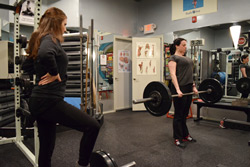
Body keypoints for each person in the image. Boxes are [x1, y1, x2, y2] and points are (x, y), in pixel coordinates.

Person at [23, 7, 100, 167]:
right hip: (50, 101)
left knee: (46, 148)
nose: (65, 29)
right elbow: (45, 54)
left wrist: (41, 74)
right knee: (92, 126)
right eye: (64, 24)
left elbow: (27, 66)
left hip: (39, 101)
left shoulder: (40, 38)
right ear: (56, 24)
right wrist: (54, 73)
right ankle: (83, 163)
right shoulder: (50, 39)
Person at [168, 38, 198, 148]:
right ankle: (177, 137)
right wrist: (177, 89)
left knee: (185, 114)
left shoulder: (187, 58)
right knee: (179, 115)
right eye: (184, 45)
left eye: (186, 45)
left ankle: (185, 135)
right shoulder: (173, 58)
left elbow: (189, 74)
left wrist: (193, 86)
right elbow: (173, 75)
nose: (186, 47)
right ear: (177, 46)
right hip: (180, 88)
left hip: (189, 88)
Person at [239, 53, 250, 122]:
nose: (248, 59)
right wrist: (247, 80)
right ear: (244, 59)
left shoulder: (247, 65)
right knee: (245, 94)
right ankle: (241, 107)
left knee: (245, 94)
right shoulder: (242, 65)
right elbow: (244, 73)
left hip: (248, 81)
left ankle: (243, 106)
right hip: (246, 82)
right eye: (247, 58)